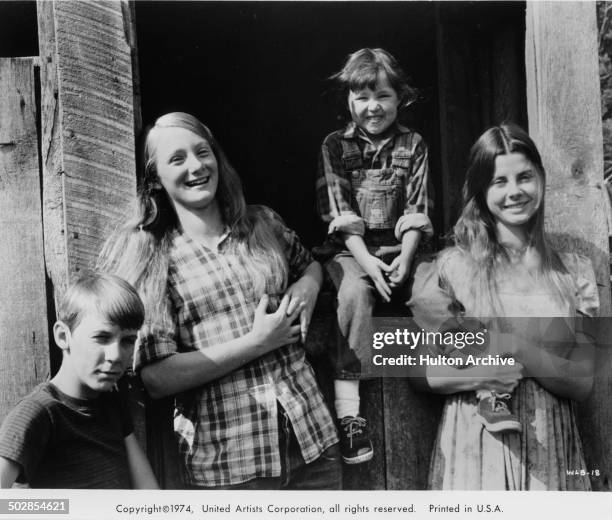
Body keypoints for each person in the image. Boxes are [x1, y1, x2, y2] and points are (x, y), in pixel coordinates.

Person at [98, 112, 340, 489]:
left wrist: (308, 284)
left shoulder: (263, 225)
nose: (196, 166)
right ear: (155, 179)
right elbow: (156, 377)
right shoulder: (157, 259)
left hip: (314, 444)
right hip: (233, 466)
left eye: (202, 152)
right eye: (177, 159)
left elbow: (310, 265)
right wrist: (257, 342)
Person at [419, 124, 598, 490]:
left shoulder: (574, 270)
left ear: (542, 180)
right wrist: (482, 374)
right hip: (473, 441)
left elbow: (583, 381)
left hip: (552, 447)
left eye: (525, 177)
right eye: (499, 181)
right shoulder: (453, 267)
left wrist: (516, 348)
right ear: (481, 190)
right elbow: (423, 374)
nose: (514, 191)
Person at [316, 48, 433, 464]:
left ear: (400, 97)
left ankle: (471, 379)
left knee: (435, 289)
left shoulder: (413, 144)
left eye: (382, 96)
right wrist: (366, 263)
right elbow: (340, 215)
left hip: (404, 249)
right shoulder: (335, 146)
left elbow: (418, 208)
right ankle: (350, 416)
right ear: (349, 100)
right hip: (353, 251)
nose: (372, 107)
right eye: (362, 97)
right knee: (352, 295)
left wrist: (406, 257)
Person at [0, 273, 158, 489]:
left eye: (128, 341)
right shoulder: (38, 413)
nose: (115, 355)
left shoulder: (111, 404)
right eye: (102, 338)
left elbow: (150, 495)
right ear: (63, 337)